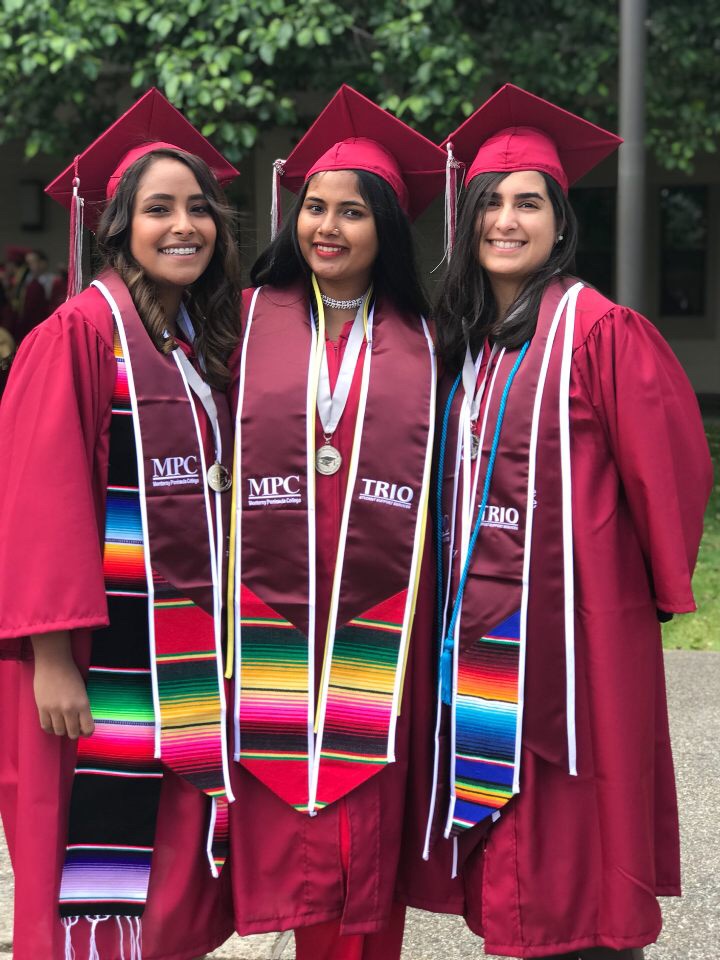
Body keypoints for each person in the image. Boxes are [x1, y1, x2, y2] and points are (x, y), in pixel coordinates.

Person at [398, 84, 713, 959]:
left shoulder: (600, 331)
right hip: (486, 626)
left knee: (581, 817)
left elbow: (674, 471)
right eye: (490, 202)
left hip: (576, 631)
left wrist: (622, 595)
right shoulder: (472, 342)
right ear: (467, 222)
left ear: (559, 222)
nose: (506, 218)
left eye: (527, 201)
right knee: (511, 824)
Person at [0, 88, 242, 960]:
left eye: (199, 209)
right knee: (86, 877)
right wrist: (53, 658)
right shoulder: (74, 335)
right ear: (118, 229)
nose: (185, 226)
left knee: (169, 889)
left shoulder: (185, 343)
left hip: (177, 657)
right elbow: (37, 499)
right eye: (158, 209)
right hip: (91, 666)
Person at [226, 84, 447, 960]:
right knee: (292, 828)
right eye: (314, 206)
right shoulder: (244, 322)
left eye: (351, 212)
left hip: (378, 610)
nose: (327, 226)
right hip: (274, 603)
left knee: (368, 812)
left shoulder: (432, 343)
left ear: (384, 227)